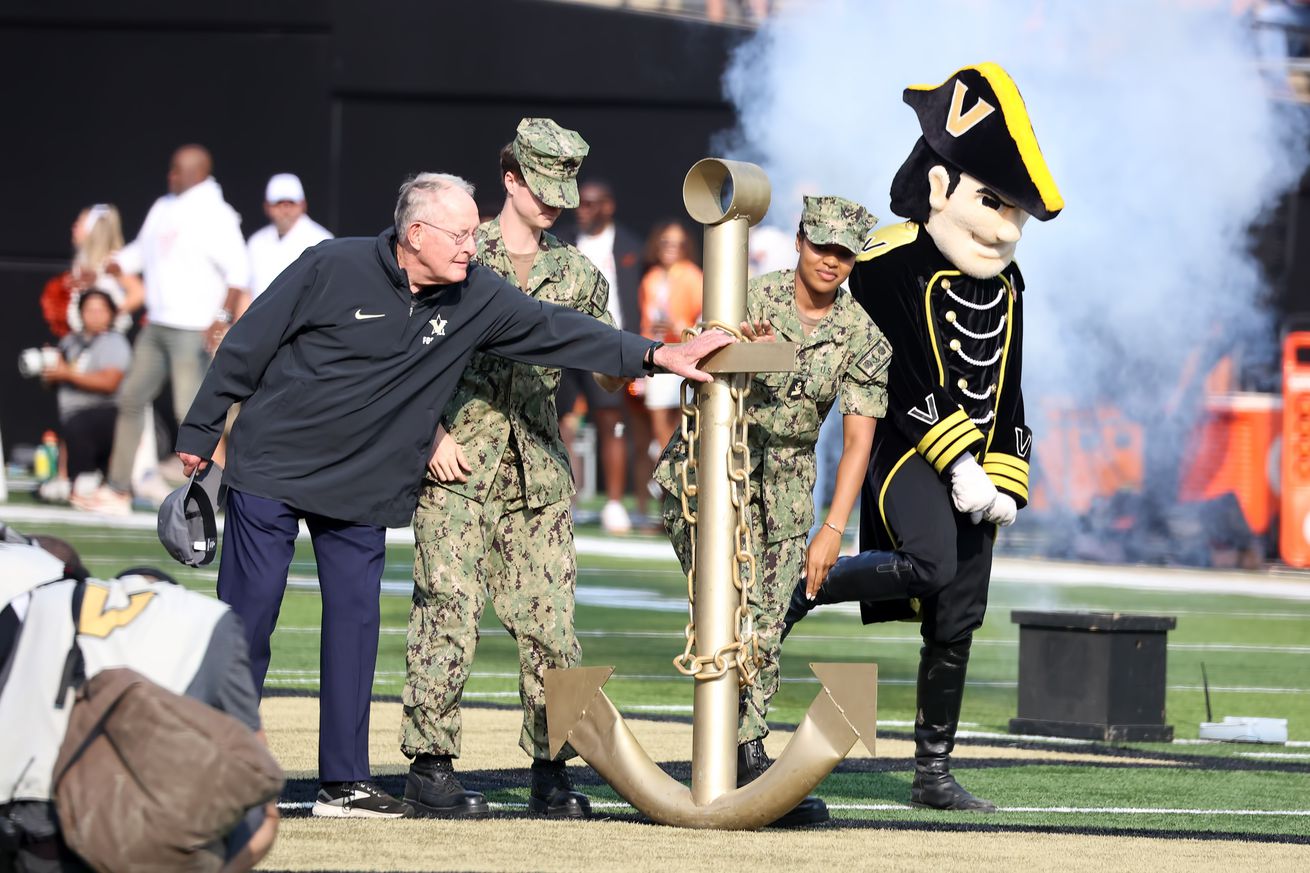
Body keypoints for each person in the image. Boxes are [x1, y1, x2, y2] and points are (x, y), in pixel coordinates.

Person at [172, 171, 733, 818]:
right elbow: (249, 340)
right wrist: (200, 428)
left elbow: (558, 329)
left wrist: (659, 355)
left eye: (474, 232)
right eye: (461, 234)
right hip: (275, 465)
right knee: (248, 622)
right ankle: (211, 761)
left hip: (363, 483)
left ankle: (344, 782)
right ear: (415, 235)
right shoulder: (330, 264)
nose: (474, 245)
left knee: (354, 627)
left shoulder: (476, 295)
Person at [784, 64, 1064, 811]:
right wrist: (957, 458)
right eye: (994, 201)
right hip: (908, 446)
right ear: (942, 186)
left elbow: (1010, 383)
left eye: (1017, 212)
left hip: (976, 463)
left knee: (960, 608)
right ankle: (806, 585)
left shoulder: (1009, 282)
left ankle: (932, 771)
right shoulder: (889, 259)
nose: (1007, 225)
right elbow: (899, 374)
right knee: (932, 561)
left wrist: (1006, 473)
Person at [400, 119, 620, 820]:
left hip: (539, 473)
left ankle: (552, 770)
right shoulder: (461, 256)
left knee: (554, 630)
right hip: (458, 461)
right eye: (542, 185)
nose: (555, 201)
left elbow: (608, 370)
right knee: (447, 609)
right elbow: (407, 354)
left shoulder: (581, 275)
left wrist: (685, 347)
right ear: (511, 178)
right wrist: (429, 432)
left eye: (564, 188)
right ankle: (431, 765)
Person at [655, 195, 888, 826]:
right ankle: (738, 753)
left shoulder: (863, 336)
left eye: (844, 253)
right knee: (725, 601)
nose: (831, 262)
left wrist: (832, 530)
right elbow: (693, 361)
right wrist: (735, 346)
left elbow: (859, 440)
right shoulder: (747, 296)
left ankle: (745, 754)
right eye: (821, 247)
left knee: (765, 610)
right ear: (800, 243)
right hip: (712, 464)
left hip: (788, 480)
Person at [0, 563, 278, 872]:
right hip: (128, 824)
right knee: (253, 811)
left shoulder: (43, 599)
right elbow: (258, 771)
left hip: (24, 812)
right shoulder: (209, 619)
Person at [73, 145, 249, 515]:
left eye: (177, 169)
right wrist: (106, 267)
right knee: (131, 398)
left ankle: (219, 493)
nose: (170, 175)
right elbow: (139, 252)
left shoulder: (216, 215)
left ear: (199, 172)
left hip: (192, 327)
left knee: (193, 412)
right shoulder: (163, 207)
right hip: (157, 323)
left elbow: (238, 272)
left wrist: (220, 316)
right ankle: (118, 489)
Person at [558, 179, 650, 533]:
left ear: (608, 206)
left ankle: (614, 502)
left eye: (592, 203)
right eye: (581, 204)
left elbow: (638, 302)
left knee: (612, 423)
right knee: (561, 423)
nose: (583, 210)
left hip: (608, 344)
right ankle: (569, 499)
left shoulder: (630, 247)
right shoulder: (563, 242)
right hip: (565, 343)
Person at [37, 290, 133, 503]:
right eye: (90, 309)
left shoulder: (115, 342)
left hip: (104, 415)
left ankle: (86, 477)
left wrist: (67, 373)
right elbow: (50, 383)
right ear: (80, 313)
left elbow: (109, 383)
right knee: (70, 422)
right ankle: (68, 478)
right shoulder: (69, 342)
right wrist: (47, 369)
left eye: (101, 310)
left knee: (84, 422)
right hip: (72, 416)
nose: (95, 315)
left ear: (111, 314)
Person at [640, 221, 704, 460]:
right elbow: (646, 320)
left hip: (684, 355)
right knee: (658, 425)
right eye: (666, 242)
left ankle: (679, 476)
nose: (671, 248)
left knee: (684, 425)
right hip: (657, 353)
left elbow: (704, 321)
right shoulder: (651, 278)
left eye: (678, 243)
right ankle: (665, 472)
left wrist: (678, 327)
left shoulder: (693, 277)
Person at [39, 204, 137, 340]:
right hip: (83, 339)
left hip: (106, 340)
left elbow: (138, 293)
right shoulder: (81, 264)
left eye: (79, 223)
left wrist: (108, 317)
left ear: (92, 230)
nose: (73, 227)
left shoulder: (112, 262)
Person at [245, 173, 333, 302]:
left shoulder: (322, 240)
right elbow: (247, 289)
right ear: (267, 207)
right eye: (278, 203)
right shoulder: (256, 241)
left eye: (291, 203)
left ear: (302, 205)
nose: (285, 210)